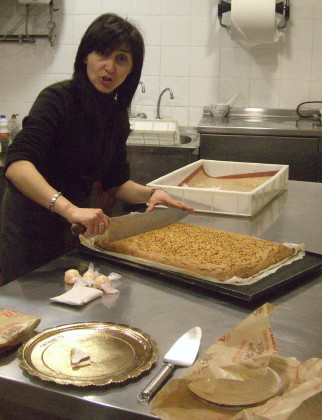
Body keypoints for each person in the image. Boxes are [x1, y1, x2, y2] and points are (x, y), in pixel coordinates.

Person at [0, 13, 192, 285]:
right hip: (30, 231)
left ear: (131, 70)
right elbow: (17, 165)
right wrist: (69, 209)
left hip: (74, 230)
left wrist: (153, 193)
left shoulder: (115, 115)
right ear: (85, 57)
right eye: (102, 53)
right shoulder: (57, 99)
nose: (110, 67)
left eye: (121, 59)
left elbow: (116, 182)